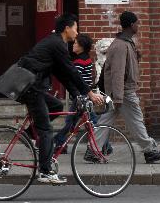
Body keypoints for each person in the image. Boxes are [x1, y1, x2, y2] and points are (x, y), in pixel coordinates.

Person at [18, 13, 103, 184]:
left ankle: (28, 134)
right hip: (30, 87)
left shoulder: (56, 42)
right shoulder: (57, 44)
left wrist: (78, 94)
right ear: (67, 28)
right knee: (47, 130)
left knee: (56, 105)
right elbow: (71, 70)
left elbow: (62, 74)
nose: (77, 33)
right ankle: (45, 171)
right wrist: (89, 93)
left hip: (34, 86)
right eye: (75, 29)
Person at [95, 11, 160, 164]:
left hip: (120, 91)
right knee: (136, 120)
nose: (138, 26)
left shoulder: (125, 43)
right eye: (137, 23)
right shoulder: (121, 45)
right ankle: (149, 150)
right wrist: (118, 97)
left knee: (106, 120)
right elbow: (118, 73)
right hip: (124, 91)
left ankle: (93, 149)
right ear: (131, 25)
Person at [53, 33, 96, 152]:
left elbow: (76, 78)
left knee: (77, 122)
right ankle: (60, 144)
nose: (73, 45)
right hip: (85, 96)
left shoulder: (79, 62)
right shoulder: (86, 59)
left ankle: (58, 143)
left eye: (76, 43)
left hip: (81, 97)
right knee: (84, 122)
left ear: (81, 46)